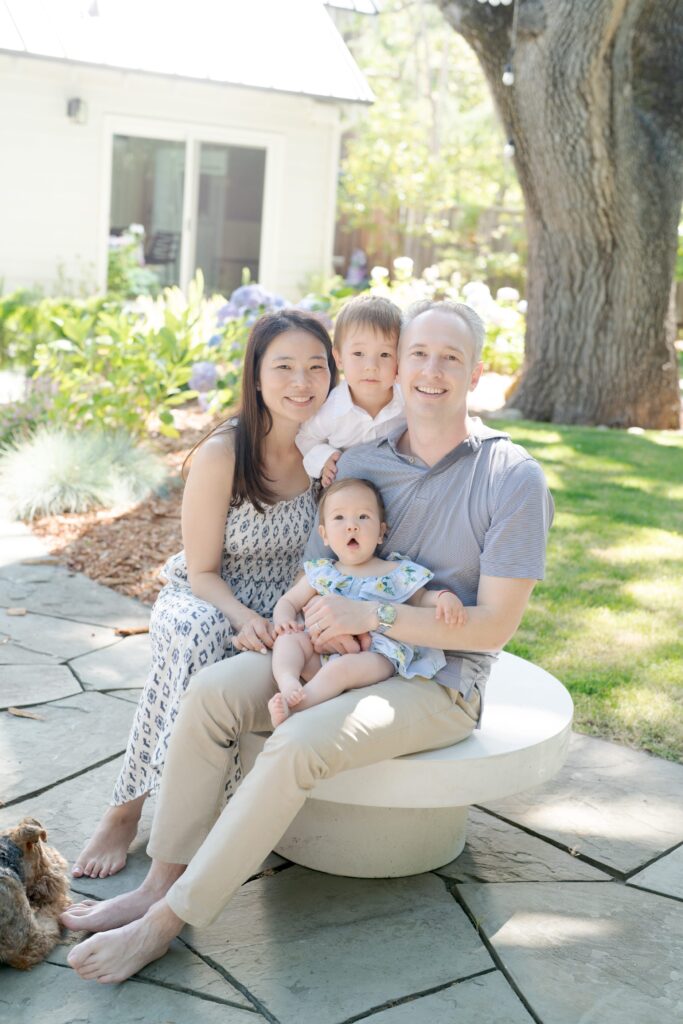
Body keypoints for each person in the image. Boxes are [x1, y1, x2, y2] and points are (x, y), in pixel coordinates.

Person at [61, 299, 554, 984]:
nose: (429, 370)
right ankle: (156, 882)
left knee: (296, 741)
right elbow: (319, 569)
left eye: (449, 357)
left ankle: (165, 921)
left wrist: (372, 619)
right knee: (210, 693)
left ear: (474, 372)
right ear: (396, 365)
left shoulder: (511, 479)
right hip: (332, 654)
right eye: (416, 354)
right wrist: (305, 625)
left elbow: (493, 626)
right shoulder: (366, 462)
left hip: (434, 681)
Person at [71, 310, 337, 880]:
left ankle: (228, 816)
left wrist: (287, 611)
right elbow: (202, 569)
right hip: (208, 597)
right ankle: (128, 811)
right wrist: (242, 617)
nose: (302, 381)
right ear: (257, 377)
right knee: (199, 640)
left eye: (317, 367)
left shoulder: (330, 457)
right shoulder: (225, 452)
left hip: (287, 602)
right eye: (284, 366)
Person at [268, 476, 466, 727]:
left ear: (381, 532)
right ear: (325, 534)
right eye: (339, 518)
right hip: (320, 651)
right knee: (288, 641)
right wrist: (284, 621)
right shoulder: (321, 572)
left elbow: (421, 597)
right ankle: (288, 681)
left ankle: (299, 705)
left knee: (342, 669)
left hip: (374, 654)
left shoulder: (395, 571)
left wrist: (442, 597)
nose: (352, 526)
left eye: (363, 517)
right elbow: (288, 601)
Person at [296, 294, 405, 486]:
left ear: (400, 359)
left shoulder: (408, 403)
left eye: (385, 354)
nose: (371, 366)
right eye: (358, 353)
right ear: (339, 358)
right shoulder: (332, 410)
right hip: (347, 494)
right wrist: (325, 458)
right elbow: (306, 437)